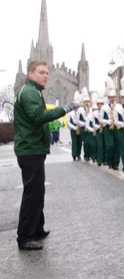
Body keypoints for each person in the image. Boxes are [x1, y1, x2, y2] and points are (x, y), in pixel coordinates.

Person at [14, 60, 76, 250]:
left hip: (33, 149)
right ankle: (24, 236)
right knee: (32, 193)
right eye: (41, 72)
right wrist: (65, 108)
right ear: (30, 74)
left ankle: (37, 228)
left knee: (38, 190)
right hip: (30, 149)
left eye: (47, 73)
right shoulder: (30, 92)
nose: (46, 76)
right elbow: (38, 115)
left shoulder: (32, 91)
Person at [100, 77, 119, 170]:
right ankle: (109, 162)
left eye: (113, 97)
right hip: (108, 128)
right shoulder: (104, 107)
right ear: (108, 98)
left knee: (117, 145)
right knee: (110, 145)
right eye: (110, 97)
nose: (112, 99)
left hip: (116, 127)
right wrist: (108, 121)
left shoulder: (118, 106)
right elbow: (101, 120)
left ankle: (116, 163)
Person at [66, 91, 83, 161]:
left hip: (79, 127)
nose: (76, 107)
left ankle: (78, 154)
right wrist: (74, 127)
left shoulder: (81, 112)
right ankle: (74, 154)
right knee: (74, 142)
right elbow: (68, 122)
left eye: (77, 106)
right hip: (73, 129)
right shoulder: (70, 113)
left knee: (79, 142)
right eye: (75, 106)